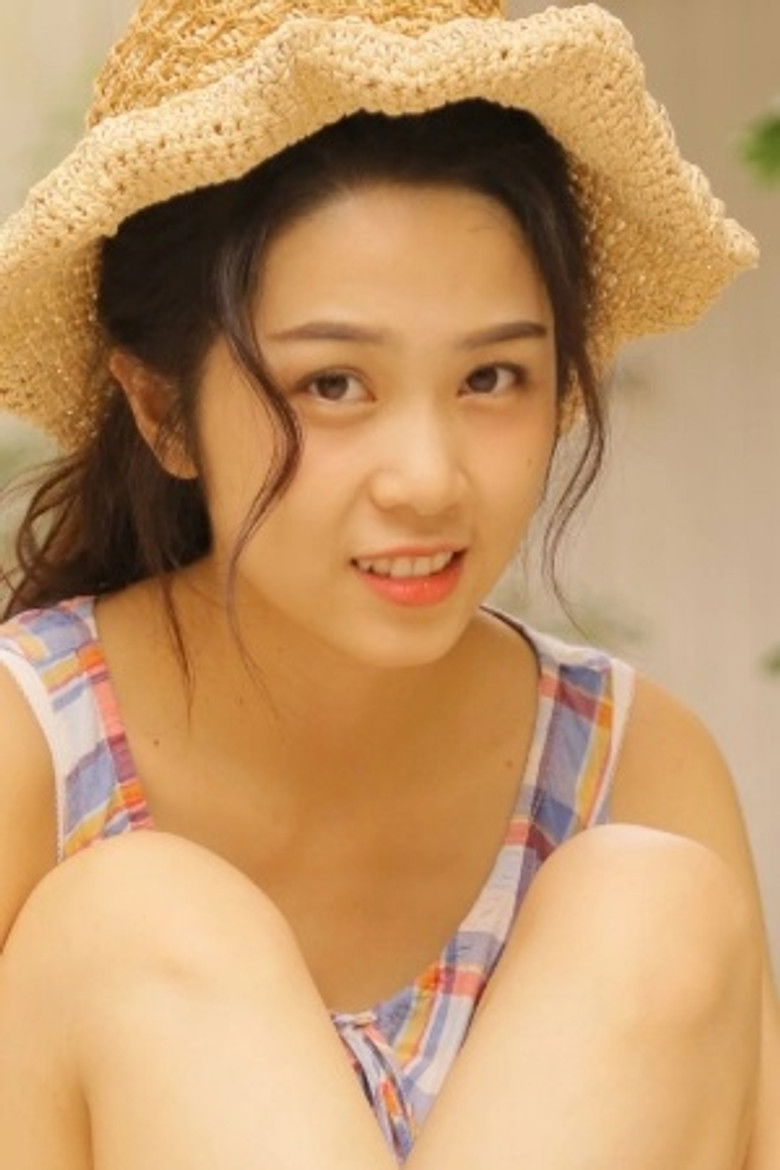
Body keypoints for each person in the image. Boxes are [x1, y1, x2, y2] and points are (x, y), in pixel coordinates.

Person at [0, 1, 776, 1167]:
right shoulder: (31, 753)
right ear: (163, 410)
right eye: (334, 385)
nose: (427, 480)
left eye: (491, 377)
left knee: (657, 904)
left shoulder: (632, 766)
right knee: (134, 920)